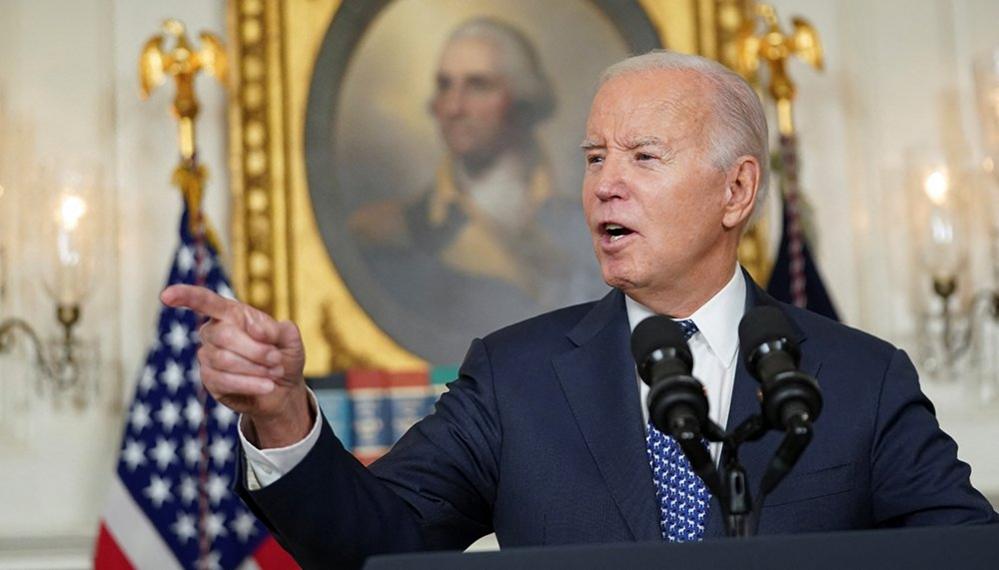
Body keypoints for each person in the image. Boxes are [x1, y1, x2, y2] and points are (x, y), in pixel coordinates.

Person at [162, 51, 997, 569]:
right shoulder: (514, 377)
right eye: (595, 155)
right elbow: (370, 544)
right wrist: (279, 415)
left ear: (736, 190)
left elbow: (962, 554)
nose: (603, 183)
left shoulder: (857, 377)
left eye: (642, 156)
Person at [345, 18, 603, 364]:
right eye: (444, 86)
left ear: (523, 99)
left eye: (478, 86)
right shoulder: (387, 233)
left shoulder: (587, 222)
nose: (453, 108)